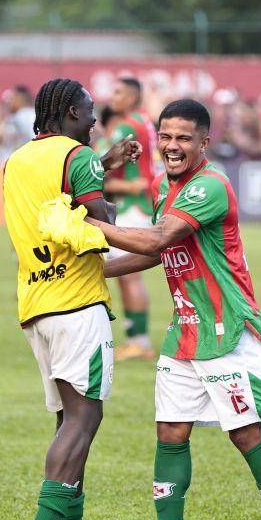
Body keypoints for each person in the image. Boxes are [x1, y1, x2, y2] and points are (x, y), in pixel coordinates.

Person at [79, 98, 261, 520]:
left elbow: (158, 239)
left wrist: (85, 226)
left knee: (245, 433)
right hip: (185, 329)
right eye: (165, 137)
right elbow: (155, 252)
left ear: (204, 142)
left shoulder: (209, 186)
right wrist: (99, 274)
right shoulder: (166, 188)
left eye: (183, 138)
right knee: (170, 430)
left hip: (228, 330)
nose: (171, 146)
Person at [4, 77, 140, 520]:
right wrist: (108, 191)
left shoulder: (17, 160)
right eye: (87, 113)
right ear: (67, 116)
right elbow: (102, 219)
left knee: (68, 418)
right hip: (79, 303)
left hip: (37, 304)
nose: (94, 121)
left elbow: (53, 192)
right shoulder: (78, 158)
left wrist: (102, 161)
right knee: (85, 420)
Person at [102, 77, 160, 360]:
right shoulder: (145, 121)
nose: (113, 96)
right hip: (141, 205)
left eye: (118, 91)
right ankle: (137, 339)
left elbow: (106, 165)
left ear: (133, 96)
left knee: (129, 275)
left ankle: (139, 341)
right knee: (129, 276)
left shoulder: (126, 126)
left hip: (132, 206)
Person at [1, 85, 36, 156]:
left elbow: (35, 137)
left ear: (20, 98)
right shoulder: (16, 116)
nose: (9, 102)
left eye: (12, 98)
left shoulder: (26, 115)